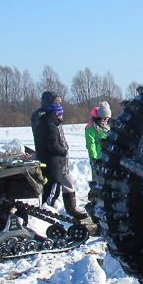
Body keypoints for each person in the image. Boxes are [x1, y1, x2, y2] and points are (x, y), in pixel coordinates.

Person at [30, 91, 87, 220]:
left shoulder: (52, 116)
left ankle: (71, 209)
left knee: (66, 181)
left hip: (59, 158)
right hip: (51, 159)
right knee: (53, 186)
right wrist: (61, 150)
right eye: (56, 101)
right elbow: (48, 140)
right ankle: (49, 210)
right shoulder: (43, 117)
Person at [85, 101, 112, 167]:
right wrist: (94, 158)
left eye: (108, 118)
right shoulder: (91, 127)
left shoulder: (109, 126)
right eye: (104, 118)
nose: (106, 120)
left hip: (108, 158)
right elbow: (91, 143)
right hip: (98, 159)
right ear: (100, 116)